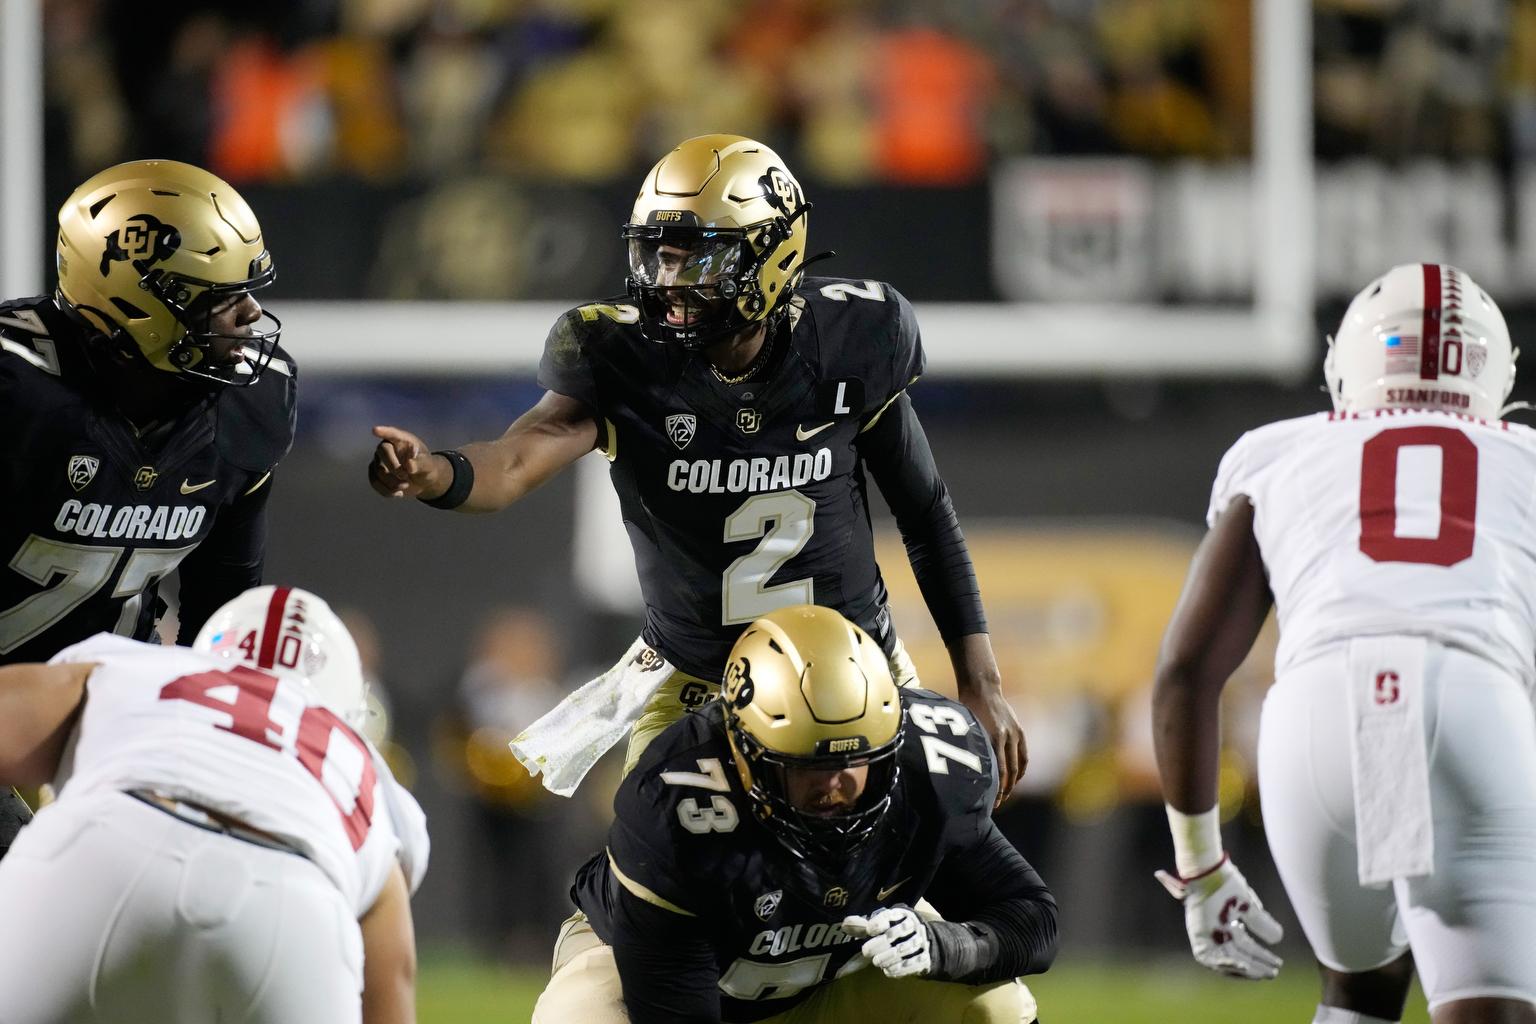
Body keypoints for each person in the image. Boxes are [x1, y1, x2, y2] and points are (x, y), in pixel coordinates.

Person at [367, 133, 1023, 801]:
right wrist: (437, 474)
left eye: (700, 258)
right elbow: (514, 459)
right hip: (698, 685)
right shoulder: (622, 355)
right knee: (637, 893)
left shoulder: (852, 338)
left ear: (772, 251)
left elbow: (926, 515)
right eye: (659, 256)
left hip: (853, 674)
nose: (671, 281)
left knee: (934, 863)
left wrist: (980, 681)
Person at [1152, 262, 1536, 1024]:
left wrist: (1202, 868)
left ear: (1345, 364)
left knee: (1359, 992)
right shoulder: (1523, 456)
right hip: (1468, 698)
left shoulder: (1280, 450)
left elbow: (1186, 674)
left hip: (1312, 718)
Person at [532, 604, 1056, 1024]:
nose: (836, 786)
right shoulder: (679, 805)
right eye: (808, 766)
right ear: (747, 754)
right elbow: (675, 1008)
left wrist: (944, 944)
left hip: (829, 979)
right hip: (650, 976)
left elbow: (1032, 918)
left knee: (994, 1008)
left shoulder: (929, 773)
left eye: (857, 761)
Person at [0, 158, 296, 855]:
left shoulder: (250, 406)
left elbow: (223, 611)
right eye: (222, 298)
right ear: (137, 301)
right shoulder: (17, 391)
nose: (251, 318)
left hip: (106, 707)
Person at [0, 584, 428, 1023]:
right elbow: (393, 973)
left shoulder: (139, 666)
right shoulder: (366, 767)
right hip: (296, 903)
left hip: (107, 843)